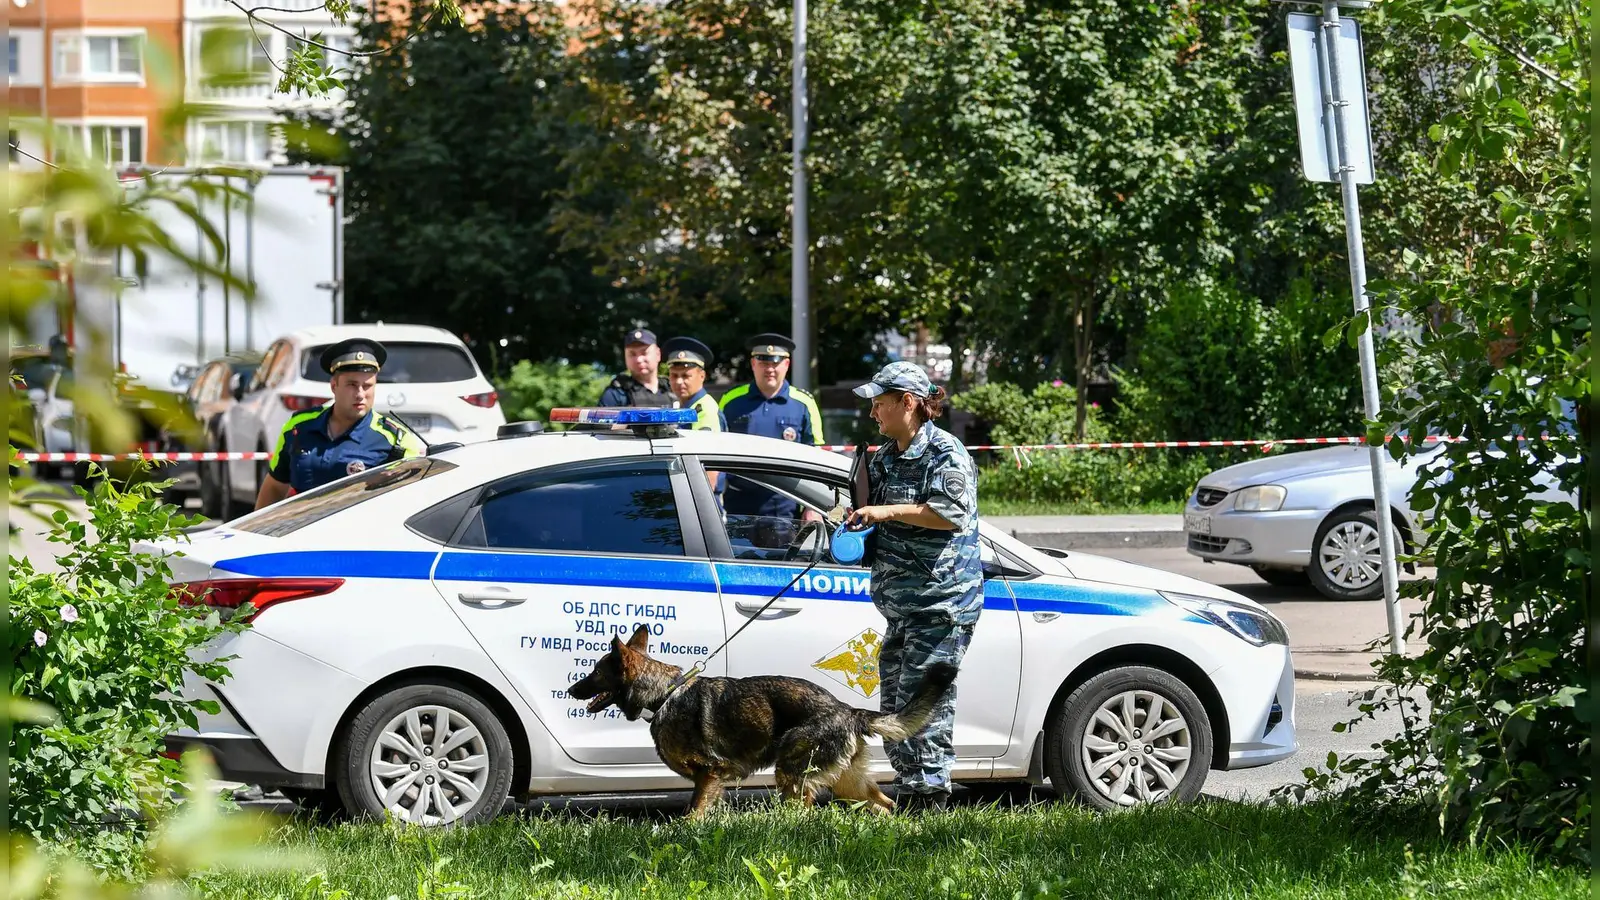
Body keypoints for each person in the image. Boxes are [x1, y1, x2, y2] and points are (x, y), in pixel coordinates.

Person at [844, 361, 980, 813]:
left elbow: (949, 514)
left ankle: (929, 801)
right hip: (901, 606)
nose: (873, 414)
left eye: (879, 404)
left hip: (940, 602)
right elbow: (873, 516)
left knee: (927, 703)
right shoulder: (884, 455)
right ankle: (911, 788)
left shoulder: (946, 453)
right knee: (897, 706)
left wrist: (886, 512)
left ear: (909, 402)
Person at [254, 338, 426, 511]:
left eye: (367, 386)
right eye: (352, 385)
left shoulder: (396, 441)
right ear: (334, 385)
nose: (360, 394)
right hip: (300, 534)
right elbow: (275, 486)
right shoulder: (299, 426)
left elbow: (411, 504)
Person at [718, 333, 824, 445]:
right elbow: (717, 444)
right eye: (764, 363)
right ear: (753, 364)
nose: (769, 369)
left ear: (786, 364)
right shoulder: (730, 399)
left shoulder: (804, 403)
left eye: (775, 363)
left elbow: (815, 451)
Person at [664, 336, 726, 493]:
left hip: (701, 499)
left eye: (686, 376)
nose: (679, 382)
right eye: (674, 375)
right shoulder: (683, 407)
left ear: (702, 376)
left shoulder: (705, 409)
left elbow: (709, 470)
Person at [599, 328, 672, 408]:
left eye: (644, 353)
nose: (639, 360)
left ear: (658, 354)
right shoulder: (616, 394)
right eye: (632, 354)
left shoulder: (673, 389)